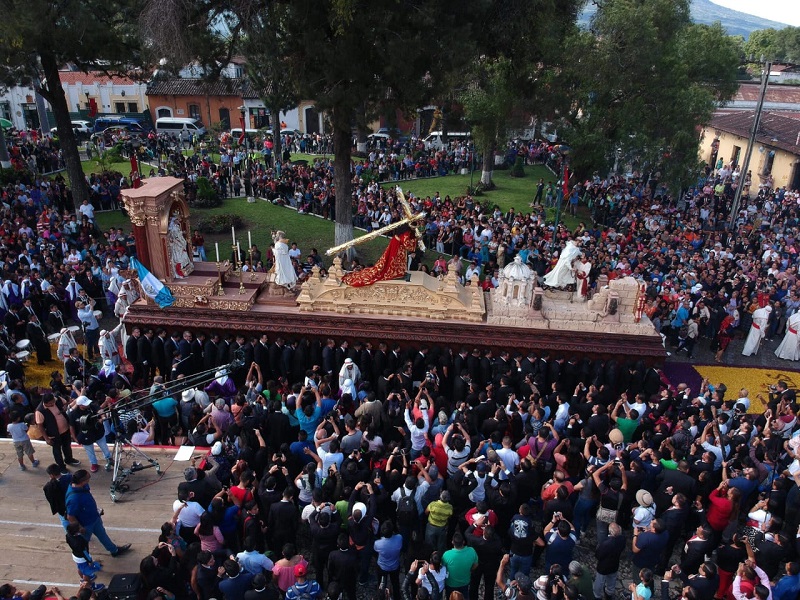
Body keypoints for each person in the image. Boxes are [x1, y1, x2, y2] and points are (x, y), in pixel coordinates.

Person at [65, 469, 131, 557]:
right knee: (83, 543)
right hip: (86, 525)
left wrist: (96, 510)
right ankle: (85, 558)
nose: (89, 479)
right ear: (82, 481)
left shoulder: (82, 487)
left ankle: (114, 550)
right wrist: (80, 528)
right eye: (88, 478)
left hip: (94, 518)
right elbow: (70, 516)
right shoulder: (73, 499)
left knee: (102, 534)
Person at [341, 222, 421, 287]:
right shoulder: (407, 232)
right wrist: (416, 240)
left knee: (391, 260)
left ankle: (397, 272)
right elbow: (407, 244)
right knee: (394, 261)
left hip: (395, 244)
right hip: (398, 247)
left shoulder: (403, 229)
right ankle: (395, 273)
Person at [35, 392, 80, 474]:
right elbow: (40, 426)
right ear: (45, 403)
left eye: (53, 402)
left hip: (65, 430)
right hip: (54, 434)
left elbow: (65, 402)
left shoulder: (57, 399)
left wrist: (64, 409)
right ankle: (61, 467)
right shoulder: (40, 411)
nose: (53, 404)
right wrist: (46, 438)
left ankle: (69, 459)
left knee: (67, 446)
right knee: (57, 451)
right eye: (50, 403)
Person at [68, 396, 113, 473]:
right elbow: (71, 426)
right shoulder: (73, 414)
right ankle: (94, 463)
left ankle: (109, 459)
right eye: (85, 404)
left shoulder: (92, 405)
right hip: (85, 435)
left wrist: (102, 418)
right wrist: (74, 438)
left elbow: (100, 410)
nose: (88, 404)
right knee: (89, 451)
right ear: (80, 405)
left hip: (98, 432)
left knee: (104, 447)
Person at [65, 521, 104, 591]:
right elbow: (84, 552)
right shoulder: (79, 540)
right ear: (76, 531)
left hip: (76, 556)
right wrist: (89, 560)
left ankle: (85, 579)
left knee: (80, 568)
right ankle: (90, 586)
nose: (81, 528)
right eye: (79, 527)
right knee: (86, 573)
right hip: (82, 558)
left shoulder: (68, 535)